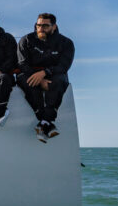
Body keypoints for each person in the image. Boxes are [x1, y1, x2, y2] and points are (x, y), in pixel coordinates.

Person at [17, 13, 75, 142]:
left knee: (59, 81)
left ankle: (43, 123)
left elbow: (64, 66)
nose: (41, 28)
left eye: (45, 26)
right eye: (38, 25)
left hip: (53, 74)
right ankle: (46, 123)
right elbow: (22, 63)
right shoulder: (26, 40)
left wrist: (44, 73)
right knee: (29, 83)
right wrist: (39, 79)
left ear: (54, 26)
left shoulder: (66, 43)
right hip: (29, 73)